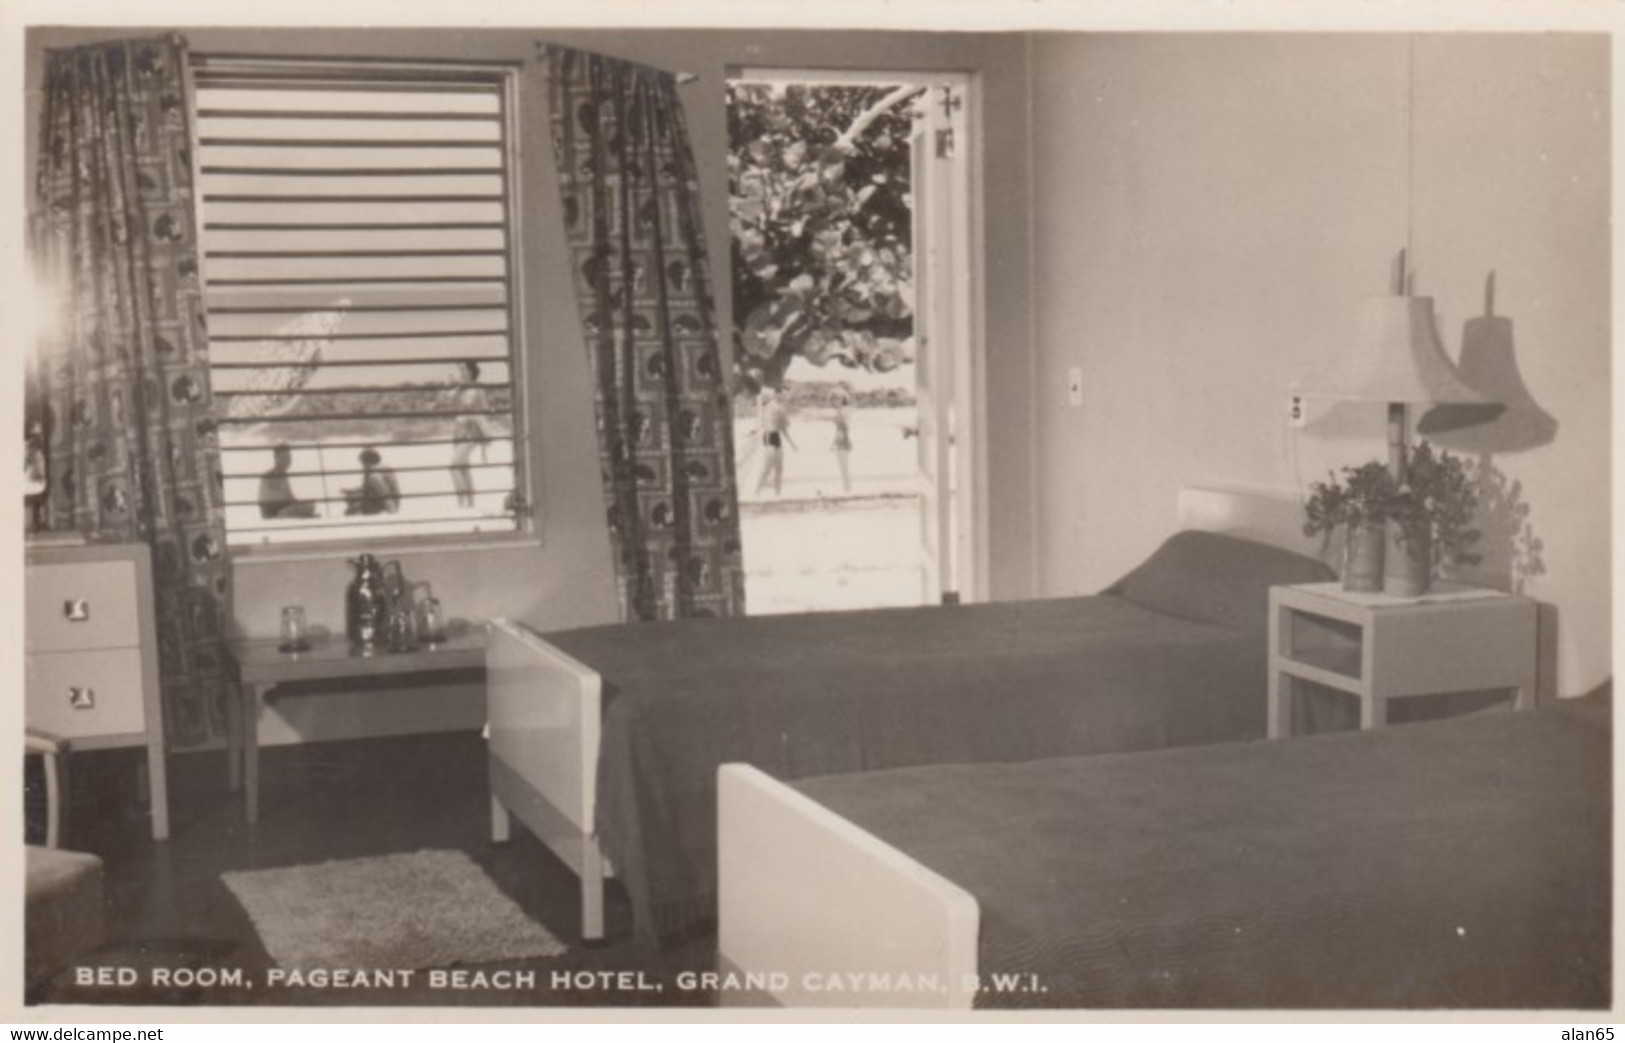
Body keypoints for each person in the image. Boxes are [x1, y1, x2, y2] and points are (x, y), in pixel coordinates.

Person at [449, 360, 489, 508]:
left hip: (471, 431)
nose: (460, 373)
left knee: (453, 467)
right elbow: (448, 402)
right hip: (460, 431)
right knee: (463, 468)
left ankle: (462, 504)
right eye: (459, 370)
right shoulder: (462, 388)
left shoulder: (475, 389)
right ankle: (470, 505)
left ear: (471, 372)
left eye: (463, 370)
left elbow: (476, 406)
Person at [754, 387, 796, 496]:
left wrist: (792, 444)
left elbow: (783, 427)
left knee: (779, 467)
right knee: (768, 467)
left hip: (775, 436)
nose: (785, 397)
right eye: (783, 394)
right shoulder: (773, 406)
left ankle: (777, 493)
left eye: (785, 395)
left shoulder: (778, 407)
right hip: (769, 436)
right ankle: (757, 492)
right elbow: (785, 424)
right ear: (777, 394)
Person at [257, 443, 318, 519]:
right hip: (275, 513)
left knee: (310, 504)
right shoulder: (268, 476)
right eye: (284, 457)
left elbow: (290, 497)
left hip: (285, 508)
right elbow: (268, 502)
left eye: (289, 457)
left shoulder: (283, 475)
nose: (288, 461)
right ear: (276, 457)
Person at [345, 447, 401, 516]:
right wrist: (352, 491)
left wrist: (393, 514)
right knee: (352, 498)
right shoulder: (381, 468)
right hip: (386, 503)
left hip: (386, 506)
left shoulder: (374, 476)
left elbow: (385, 495)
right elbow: (369, 488)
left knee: (351, 508)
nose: (362, 466)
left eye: (362, 463)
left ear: (368, 461)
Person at [830, 390, 853, 494]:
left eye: (837, 399)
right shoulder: (844, 411)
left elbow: (844, 427)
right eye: (834, 399)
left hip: (842, 439)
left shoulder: (842, 411)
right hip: (842, 438)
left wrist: (838, 441)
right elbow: (843, 427)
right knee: (843, 465)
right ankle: (847, 488)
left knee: (843, 465)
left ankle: (847, 489)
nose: (834, 402)